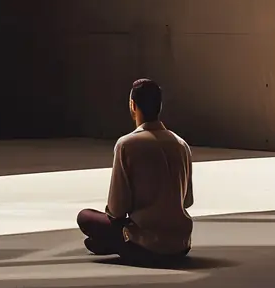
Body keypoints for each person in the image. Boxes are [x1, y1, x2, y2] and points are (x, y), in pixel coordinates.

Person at [77, 79, 193, 263]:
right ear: (159, 106)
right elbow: (187, 201)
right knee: (102, 234)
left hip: (146, 246)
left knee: (85, 217)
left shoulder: (127, 144)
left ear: (132, 105)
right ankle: (107, 243)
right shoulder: (181, 144)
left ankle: (110, 243)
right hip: (181, 245)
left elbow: (117, 210)